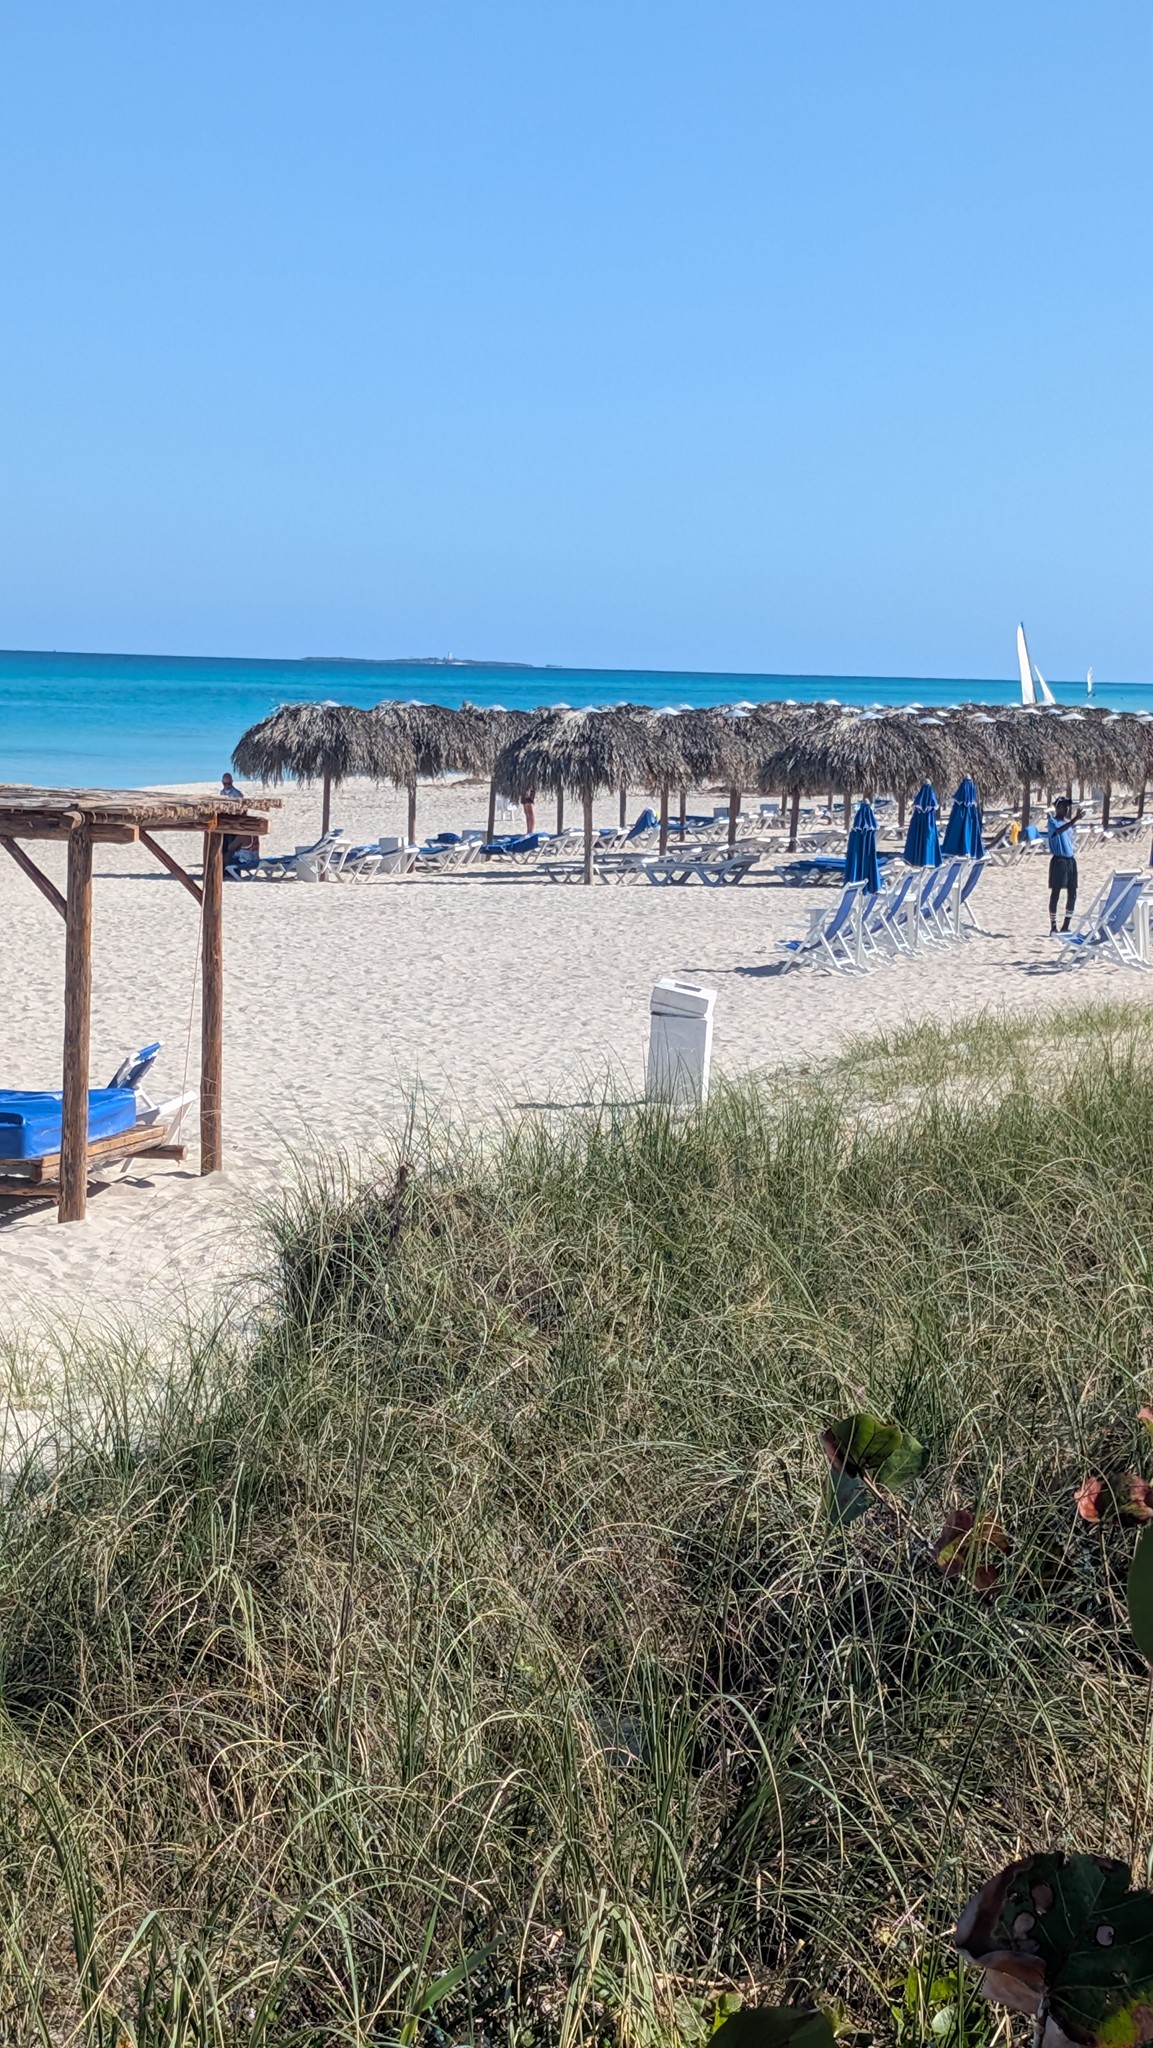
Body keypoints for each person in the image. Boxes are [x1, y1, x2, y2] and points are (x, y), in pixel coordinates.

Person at [1046, 794, 1084, 934]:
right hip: (1059, 861)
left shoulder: (1068, 822)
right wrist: (1075, 820)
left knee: (1072, 892)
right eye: (1063, 806)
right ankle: (1053, 926)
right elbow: (1058, 831)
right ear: (1057, 808)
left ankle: (1066, 926)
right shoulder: (1052, 822)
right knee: (1056, 893)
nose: (1066, 809)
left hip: (1070, 860)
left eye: (1067, 807)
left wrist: (1073, 821)